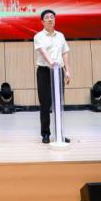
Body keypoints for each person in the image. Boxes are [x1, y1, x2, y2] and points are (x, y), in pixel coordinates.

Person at [33, 9, 71, 144]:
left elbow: (65, 53)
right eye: (47, 17)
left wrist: (67, 71)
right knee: (45, 103)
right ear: (42, 21)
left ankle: (60, 133)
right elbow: (43, 52)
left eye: (52, 17)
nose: (50, 19)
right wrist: (51, 63)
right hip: (44, 71)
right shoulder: (38, 36)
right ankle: (45, 133)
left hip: (58, 70)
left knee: (59, 103)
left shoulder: (60, 35)